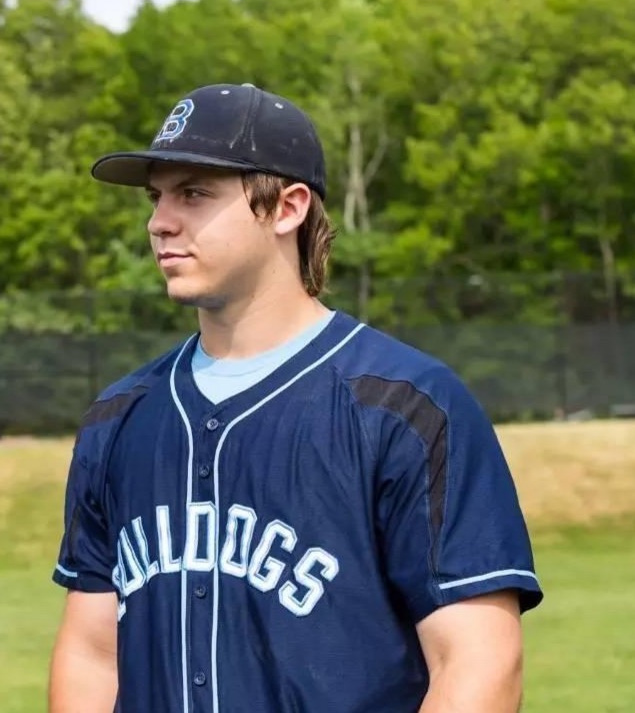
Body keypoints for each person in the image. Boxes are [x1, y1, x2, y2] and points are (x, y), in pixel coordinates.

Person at [47, 83, 543, 712]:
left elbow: (479, 660)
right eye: (156, 196)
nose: (159, 221)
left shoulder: (404, 406)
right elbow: (93, 652)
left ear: (287, 208)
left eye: (194, 193)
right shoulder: (121, 416)